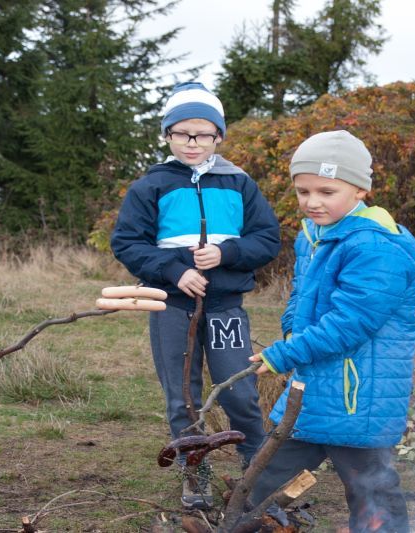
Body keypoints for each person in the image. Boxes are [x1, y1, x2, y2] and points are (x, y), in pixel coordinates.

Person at [110, 82, 281, 509]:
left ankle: (256, 470)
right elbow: (128, 242)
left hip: (226, 307)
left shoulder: (239, 183)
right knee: (181, 395)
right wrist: (173, 269)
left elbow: (268, 239)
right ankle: (195, 474)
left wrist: (227, 252)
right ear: (167, 134)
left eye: (203, 133)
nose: (192, 142)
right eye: (182, 132)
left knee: (238, 388)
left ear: (218, 137)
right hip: (172, 307)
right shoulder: (152, 185)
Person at [247, 130, 415, 533]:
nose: (312, 202)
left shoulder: (377, 246)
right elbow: (301, 295)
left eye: (326, 191)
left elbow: (350, 323)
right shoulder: (313, 235)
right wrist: (290, 330)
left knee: (370, 484)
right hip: (314, 386)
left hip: (357, 393)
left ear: (360, 189)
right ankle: (244, 523)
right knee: (268, 474)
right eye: (303, 191)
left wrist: (285, 354)